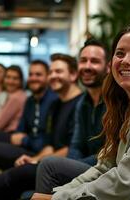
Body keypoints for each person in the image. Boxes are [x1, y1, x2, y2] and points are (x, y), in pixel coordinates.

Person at [32, 25, 130, 200]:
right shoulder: (126, 105)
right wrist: (60, 193)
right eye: (120, 53)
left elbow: (127, 181)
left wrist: (59, 198)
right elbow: (104, 166)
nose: (125, 60)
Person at [0, 53, 83, 200]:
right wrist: (35, 156)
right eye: (51, 72)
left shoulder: (75, 103)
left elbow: (68, 148)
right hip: (44, 153)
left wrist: (35, 157)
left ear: (73, 75)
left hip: (61, 162)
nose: (53, 76)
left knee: (16, 169)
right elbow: (49, 142)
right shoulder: (53, 103)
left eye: (58, 71)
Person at [34, 37, 109, 195]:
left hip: (106, 170)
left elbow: (110, 155)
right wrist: (70, 164)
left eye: (94, 61)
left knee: (48, 166)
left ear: (108, 67)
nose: (87, 66)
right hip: (84, 165)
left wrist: (71, 165)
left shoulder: (115, 101)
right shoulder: (83, 102)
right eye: (83, 60)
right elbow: (76, 145)